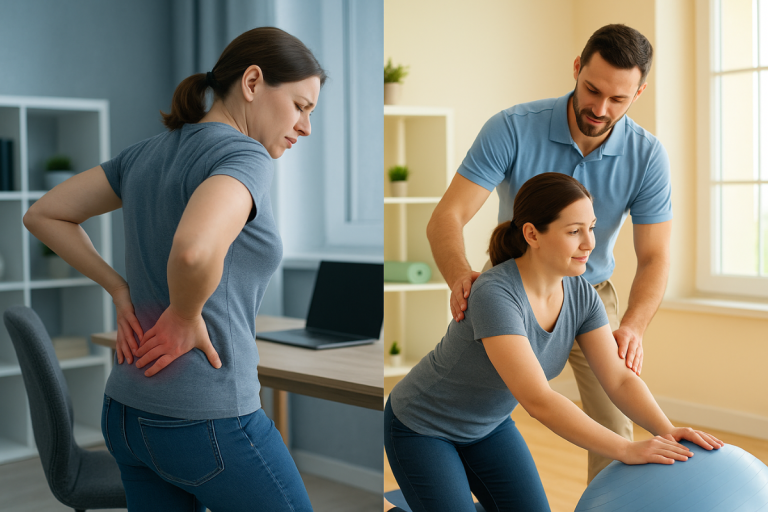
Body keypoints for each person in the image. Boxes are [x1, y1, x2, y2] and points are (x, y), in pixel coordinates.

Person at [23, 27, 324, 512]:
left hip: (127, 413)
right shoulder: (242, 155)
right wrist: (184, 315)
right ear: (252, 82)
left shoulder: (146, 153)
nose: (306, 127)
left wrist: (118, 288)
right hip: (207, 418)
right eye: (300, 106)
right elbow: (193, 252)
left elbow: (43, 214)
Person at [384, 173, 722, 512]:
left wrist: (666, 429)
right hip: (423, 426)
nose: (589, 243)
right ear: (532, 234)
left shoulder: (583, 297)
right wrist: (625, 449)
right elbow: (539, 399)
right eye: (574, 231)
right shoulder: (495, 294)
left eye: (591, 228)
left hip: (488, 427)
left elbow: (618, 379)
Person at [427, 24, 671, 482]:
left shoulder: (647, 156)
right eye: (592, 90)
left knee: (615, 429)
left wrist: (634, 326)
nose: (600, 109)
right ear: (577, 68)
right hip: (511, 291)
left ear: (638, 93)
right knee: (473, 406)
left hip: (590, 295)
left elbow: (655, 256)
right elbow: (447, 216)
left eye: (617, 99)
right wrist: (460, 275)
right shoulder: (512, 128)